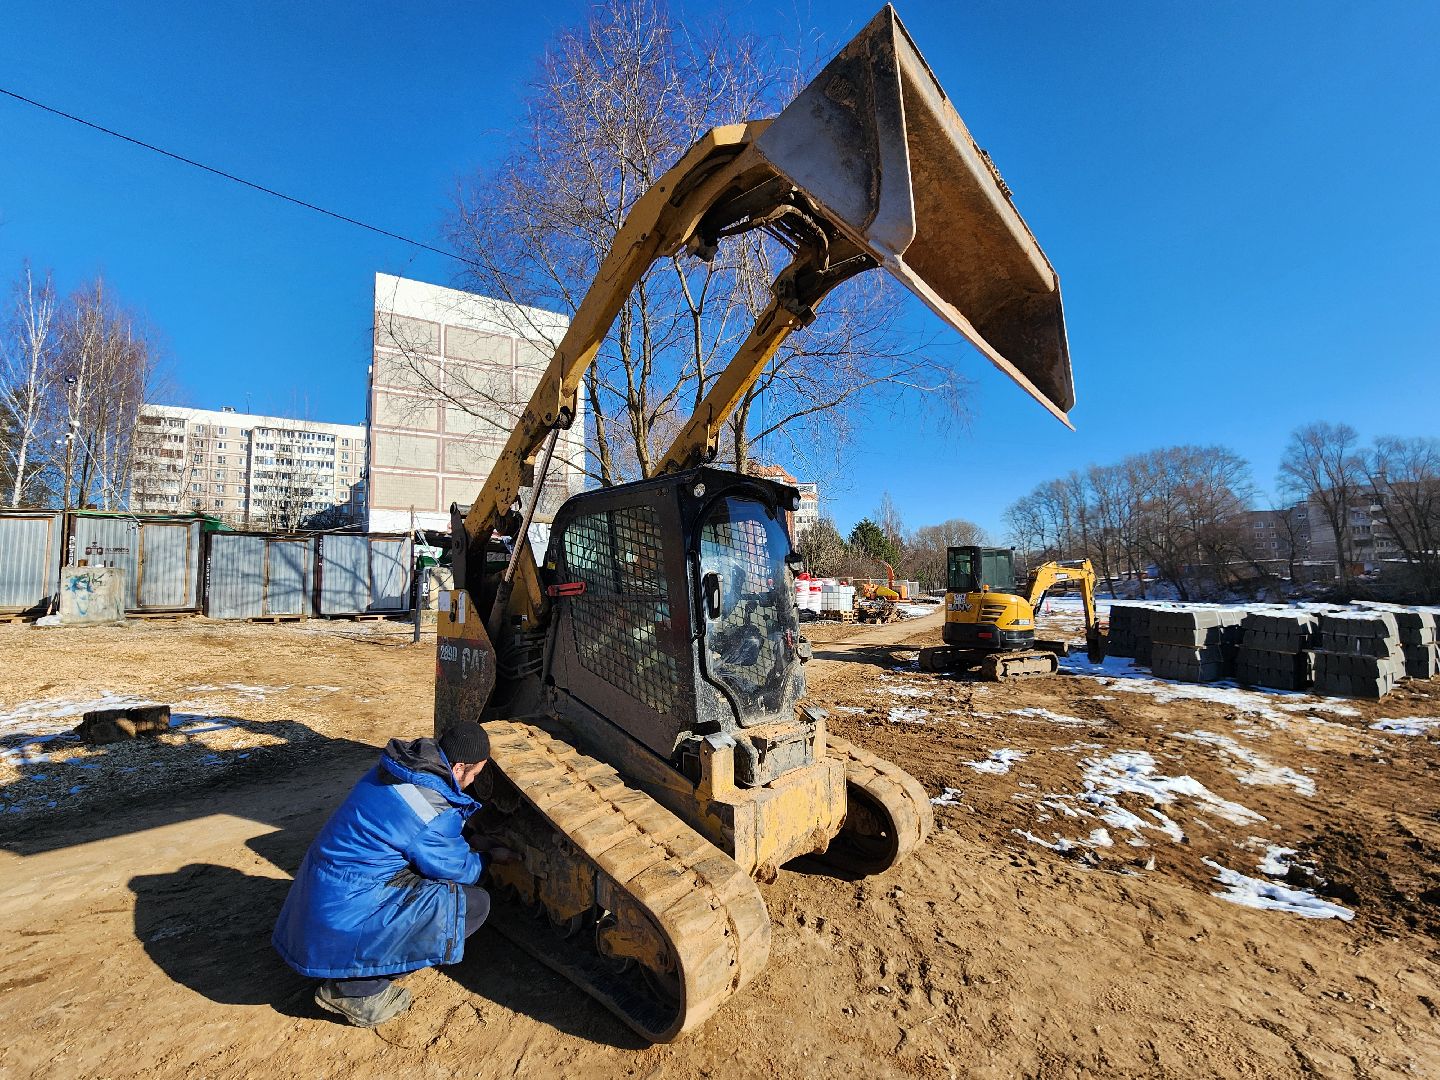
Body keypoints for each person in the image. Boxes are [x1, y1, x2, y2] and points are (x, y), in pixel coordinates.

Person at [272, 721, 514, 1028]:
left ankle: (350, 970)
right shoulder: (428, 809)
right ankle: (356, 991)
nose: (472, 782)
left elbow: (413, 834)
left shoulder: (401, 770)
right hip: (340, 917)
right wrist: (489, 858)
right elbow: (459, 869)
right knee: (473, 904)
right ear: (460, 767)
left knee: (428, 881)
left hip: (320, 904)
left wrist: (467, 839)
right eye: (475, 774)